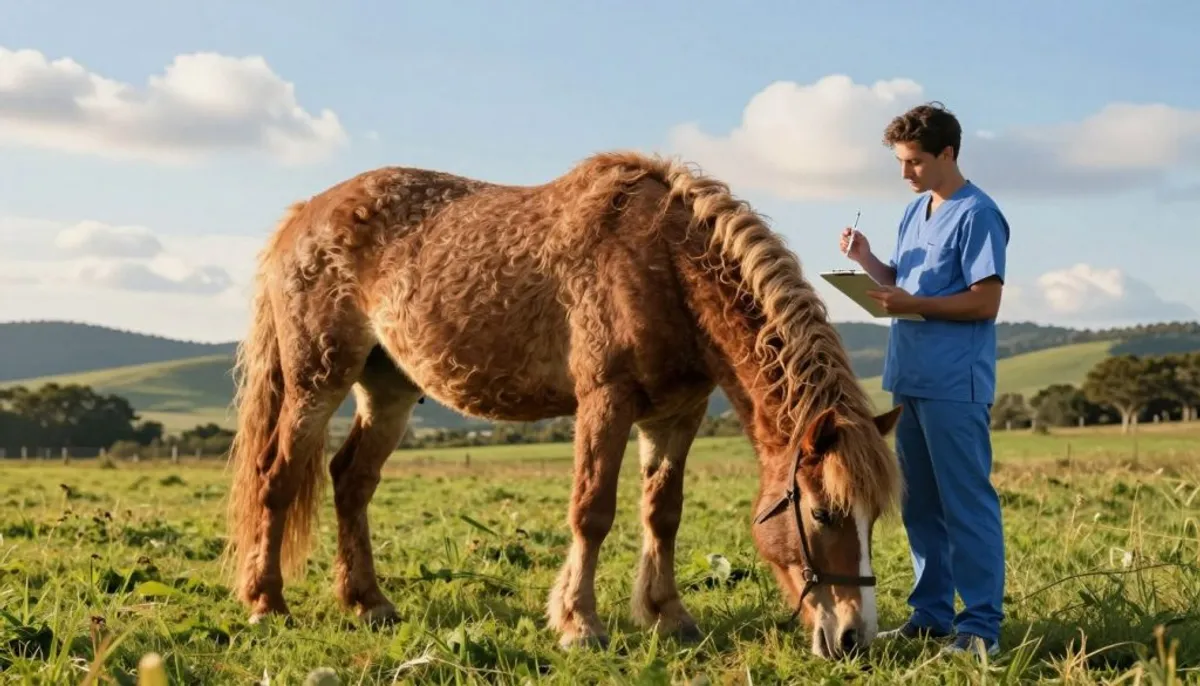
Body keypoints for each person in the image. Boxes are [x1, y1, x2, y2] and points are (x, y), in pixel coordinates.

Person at [838, 101, 1008, 658]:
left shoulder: (979, 214)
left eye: (913, 161)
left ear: (948, 154)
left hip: (955, 382)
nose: (905, 172)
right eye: (900, 162)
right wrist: (867, 261)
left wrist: (915, 303)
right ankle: (930, 617)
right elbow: (903, 282)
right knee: (919, 506)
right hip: (908, 378)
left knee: (966, 505)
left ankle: (980, 629)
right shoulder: (915, 211)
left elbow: (985, 302)